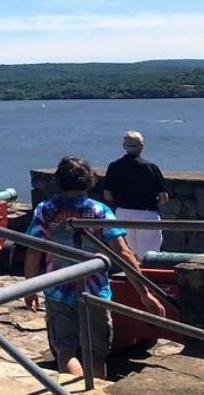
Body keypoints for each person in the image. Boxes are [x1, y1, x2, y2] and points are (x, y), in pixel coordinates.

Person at [24, 156, 164, 379]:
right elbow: (124, 252)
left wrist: (30, 288)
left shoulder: (45, 210)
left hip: (57, 291)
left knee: (65, 352)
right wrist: (144, 293)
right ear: (89, 181)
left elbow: (33, 251)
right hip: (95, 291)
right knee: (96, 356)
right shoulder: (100, 211)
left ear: (58, 181)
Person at [102, 131, 168, 259]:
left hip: (122, 213)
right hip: (146, 213)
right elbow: (163, 197)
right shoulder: (150, 167)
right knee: (150, 255)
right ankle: (147, 278)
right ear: (141, 146)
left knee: (128, 254)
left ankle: (132, 277)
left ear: (124, 146)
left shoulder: (114, 166)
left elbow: (107, 195)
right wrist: (154, 203)